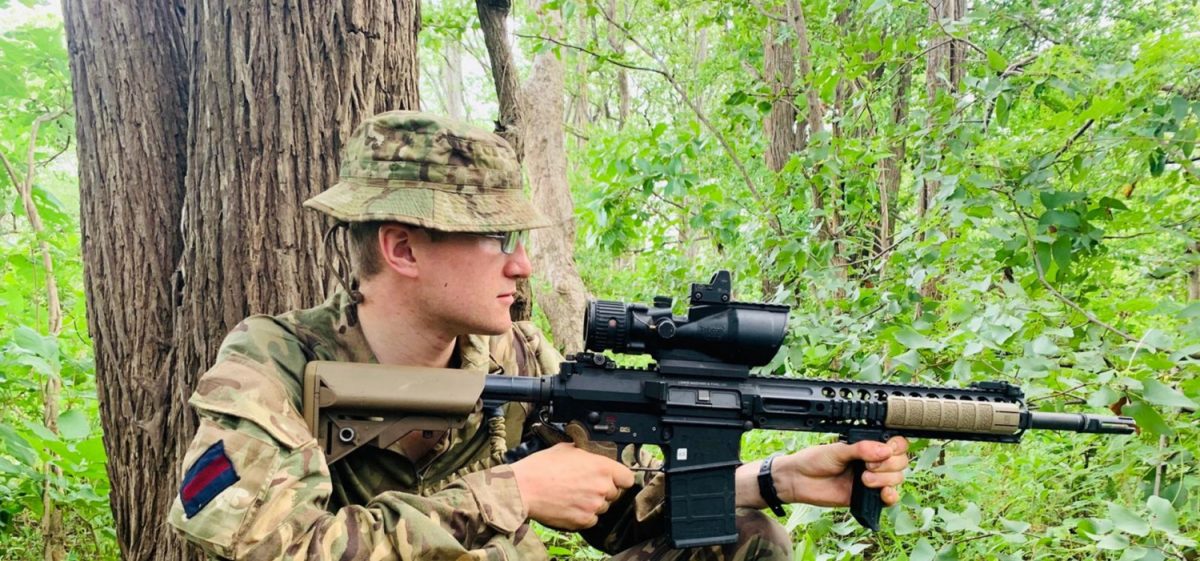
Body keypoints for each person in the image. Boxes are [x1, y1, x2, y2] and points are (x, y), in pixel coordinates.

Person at [167, 111, 910, 560]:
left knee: (746, 539)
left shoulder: (517, 356)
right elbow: (276, 548)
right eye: (495, 237)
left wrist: (776, 478)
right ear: (403, 248)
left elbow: (617, 502)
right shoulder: (269, 365)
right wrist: (508, 491)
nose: (522, 263)